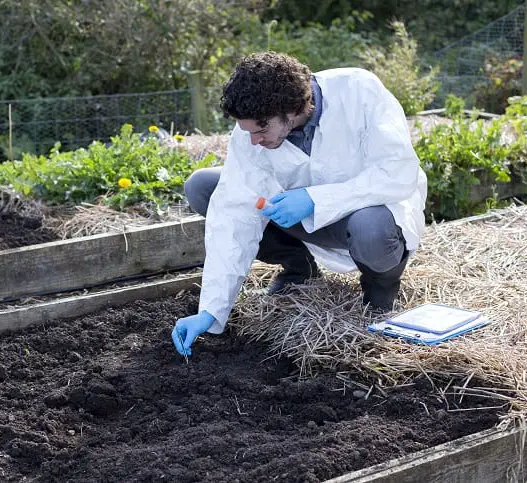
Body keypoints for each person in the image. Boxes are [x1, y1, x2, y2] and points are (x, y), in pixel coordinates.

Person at [171, 52, 427, 356]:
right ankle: (298, 268)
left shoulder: (359, 91)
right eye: (248, 131)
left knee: (370, 229)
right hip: (302, 220)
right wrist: (211, 311)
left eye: (261, 130)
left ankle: (380, 285)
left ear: (291, 109)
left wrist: (315, 198)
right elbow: (232, 216)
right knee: (205, 188)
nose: (254, 141)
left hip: (371, 214)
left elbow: (397, 172)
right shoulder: (254, 134)